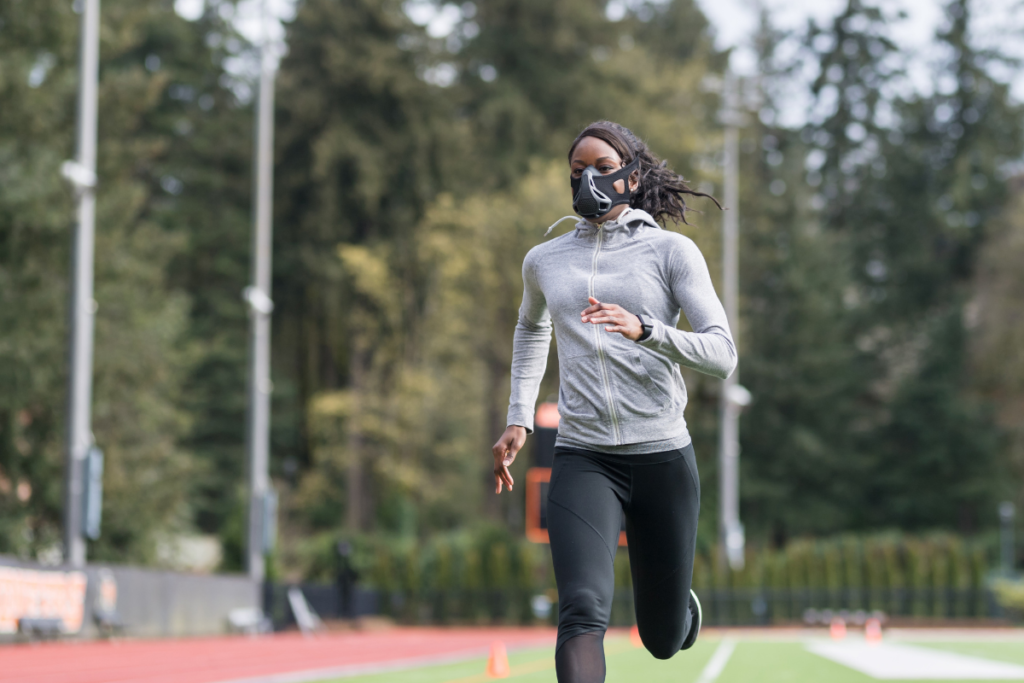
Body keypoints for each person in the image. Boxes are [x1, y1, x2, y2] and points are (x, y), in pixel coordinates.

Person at [491, 121, 736, 683]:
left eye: (602, 169)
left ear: (632, 175)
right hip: (583, 456)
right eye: (578, 173)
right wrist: (519, 417)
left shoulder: (672, 251)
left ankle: (677, 615)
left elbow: (723, 354)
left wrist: (645, 329)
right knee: (580, 611)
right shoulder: (545, 260)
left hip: (662, 458)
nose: (588, 182)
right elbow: (531, 329)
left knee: (660, 640)